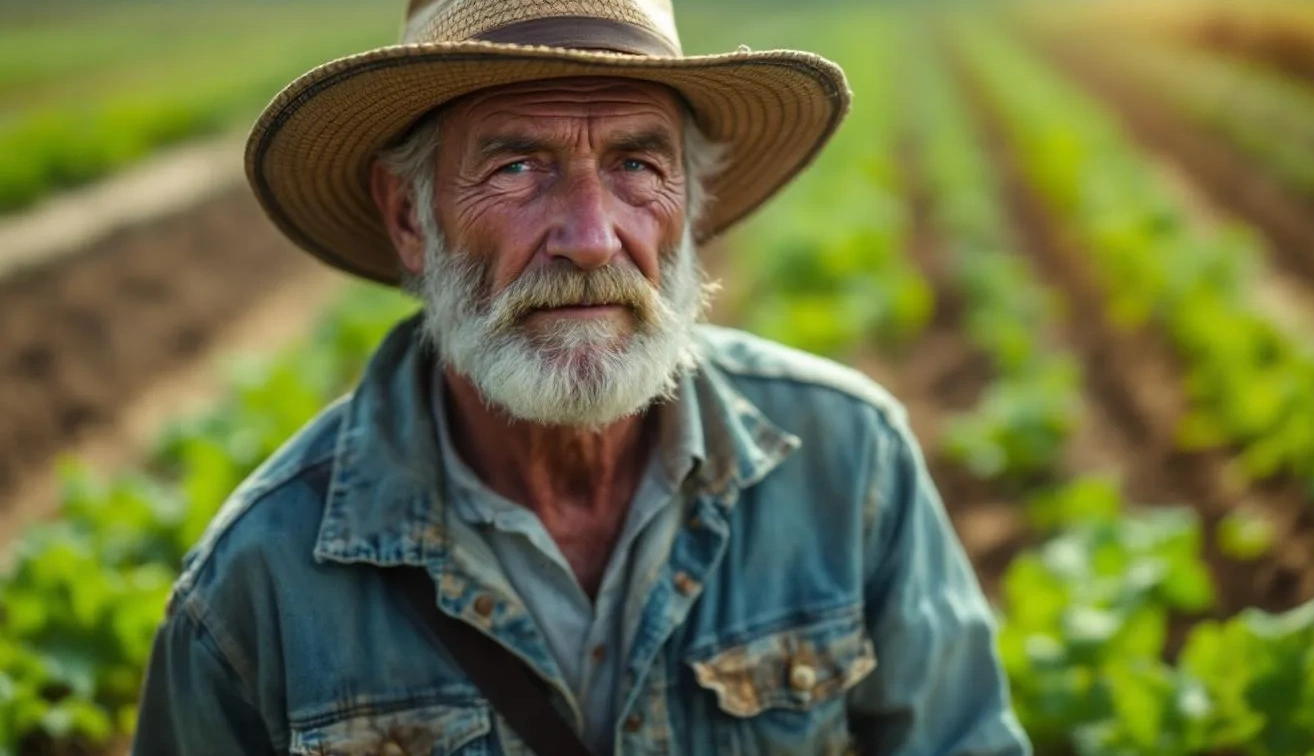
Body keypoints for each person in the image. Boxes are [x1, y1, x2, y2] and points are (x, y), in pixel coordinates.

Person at [131, 0, 1030, 753]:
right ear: (410, 215)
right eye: (519, 167)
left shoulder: (850, 466)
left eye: (638, 164)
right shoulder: (256, 588)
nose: (593, 237)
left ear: (691, 204)